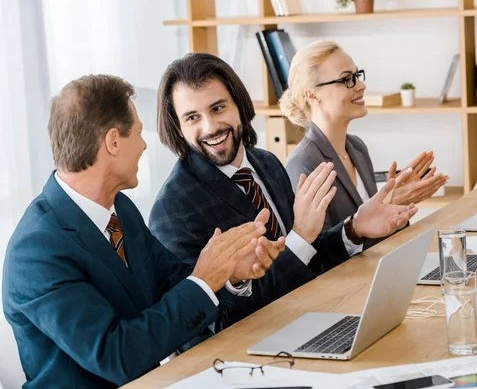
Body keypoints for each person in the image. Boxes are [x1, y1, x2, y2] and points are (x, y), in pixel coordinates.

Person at [2, 74, 283, 389]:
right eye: (138, 132)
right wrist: (205, 279)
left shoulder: (121, 209)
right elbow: (119, 356)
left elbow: (175, 282)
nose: (145, 143)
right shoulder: (36, 251)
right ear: (113, 141)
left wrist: (230, 272)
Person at [149, 53, 418, 330]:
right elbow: (212, 327)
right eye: (192, 117)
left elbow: (303, 257)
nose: (210, 127)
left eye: (218, 108)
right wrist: (300, 236)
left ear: (239, 106)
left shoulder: (265, 163)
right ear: (178, 129)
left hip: (310, 320)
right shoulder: (172, 209)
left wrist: (354, 228)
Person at [282, 40, 449, 233]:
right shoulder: (303, 163)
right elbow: (316, 255)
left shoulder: (356, 148)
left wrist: (393, 206)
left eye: (357, 76)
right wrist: (387, 203)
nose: (361, 86)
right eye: (346, 79)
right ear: (312, 95)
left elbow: (374, 237)